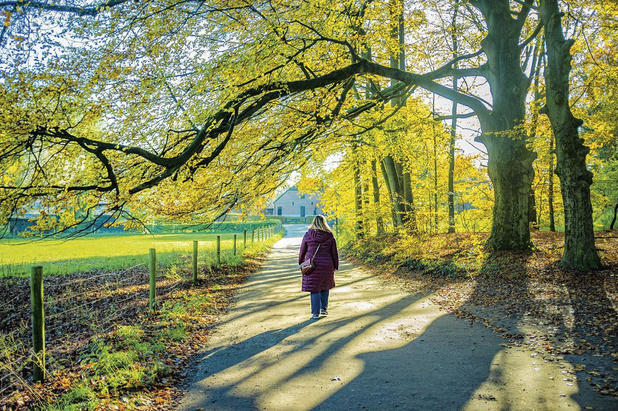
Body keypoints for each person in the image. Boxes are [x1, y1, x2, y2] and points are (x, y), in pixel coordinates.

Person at [298, 215, 339, 320]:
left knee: (314, 289)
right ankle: (324, 309)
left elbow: (302, 250)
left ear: (314, 222)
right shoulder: (329, 236)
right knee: (325, 286)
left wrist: (301, 263)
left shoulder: (308, 235)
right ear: (324, 223)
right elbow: (334, 253)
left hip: (312, 265)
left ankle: (315, 313)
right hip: (327, 265)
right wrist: (335, 265)